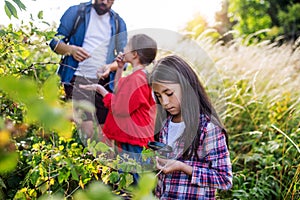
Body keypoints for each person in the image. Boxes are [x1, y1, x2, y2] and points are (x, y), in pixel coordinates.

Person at [148, 55, 232, 199]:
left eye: (169, 93)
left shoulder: (207, 128)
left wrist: (183, 167)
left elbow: (224, 179)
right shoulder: (164, 124)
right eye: (159, 96)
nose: (165, 102)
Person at [79, 34, 157, 182]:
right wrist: (120, 69)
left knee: (133, 181)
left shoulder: (137, 79)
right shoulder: (138, 76)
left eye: (127, 46)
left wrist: (101, 91)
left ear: (134, 54)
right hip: (132, 139)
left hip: (135, 141)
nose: (123, 49)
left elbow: (120, 108)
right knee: (129, 178)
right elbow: (120, 92)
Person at [49, 0, 127, 142]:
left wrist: (110, 67)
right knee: (88, 131)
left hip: (104, 83)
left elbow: (124, 58)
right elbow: (55, 43)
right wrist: (71, 50)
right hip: (77, 79)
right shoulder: (76, 12)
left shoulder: (118, 22)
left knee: (106, 135)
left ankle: (98, 162)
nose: (104, 2)